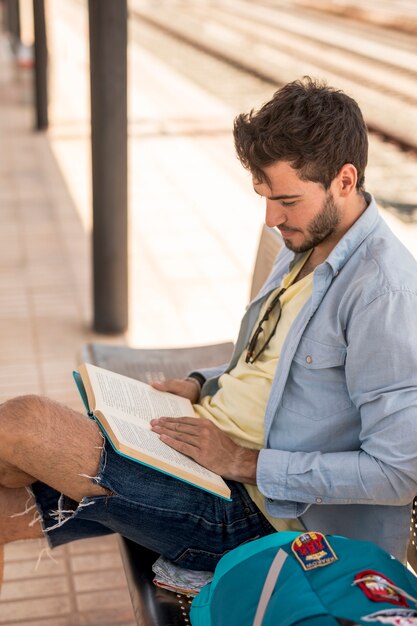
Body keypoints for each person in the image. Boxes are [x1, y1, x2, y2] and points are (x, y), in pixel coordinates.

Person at [1, 77, 417, 593]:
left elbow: (396, 473)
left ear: (345, 181)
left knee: (22, 423)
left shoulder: (385, 295)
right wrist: (201, 382)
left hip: (260, 518)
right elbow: (276, 364)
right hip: (201, 453)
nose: (271, 217)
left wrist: (243, 461)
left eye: (286, 199)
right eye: (264, 196)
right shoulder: (309, 240)